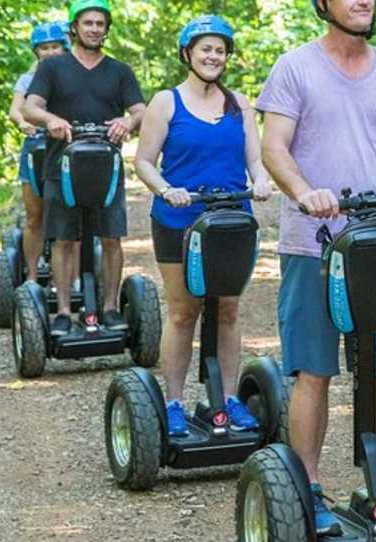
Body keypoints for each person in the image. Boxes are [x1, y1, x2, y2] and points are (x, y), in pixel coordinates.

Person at [256, 0, 376, 535]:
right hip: (314, 244)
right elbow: (273, 147)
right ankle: (307, 488)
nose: (364, 1)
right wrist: (305, 191)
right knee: (314, 370)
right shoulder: (295, 67)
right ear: (322, 4)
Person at [134, 15, 272, 435]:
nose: (214, 56)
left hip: (230, 220)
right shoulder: (166, 101)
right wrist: (165, 189)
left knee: (227, 309)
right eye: (205, 49)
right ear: (187, 53)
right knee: (182, 311)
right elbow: (143, 161)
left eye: (220, 50)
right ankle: (173, 402)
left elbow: (254, 158)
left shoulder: (240, 103)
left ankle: (228, 399)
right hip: (180, 220)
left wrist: (261, 179)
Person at [23, 0, 145, 336]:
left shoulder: (119, 70)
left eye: (100, 23)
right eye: (87, 23)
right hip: (60, 167)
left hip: (107, 170)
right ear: (74, 28)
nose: (94, 29)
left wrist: (128, 120)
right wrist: (51, 119)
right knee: (63, 239)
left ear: (107, 29)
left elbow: (141, 110)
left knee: (111, 238)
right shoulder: (53, 68)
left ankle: (108, 308)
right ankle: (63, 312)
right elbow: (31, 107)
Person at [8, 22, 69, 283]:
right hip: (37, 148)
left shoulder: (74, 75)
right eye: (45, 48)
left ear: (64, 48)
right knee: (35, 217)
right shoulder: (27, 79)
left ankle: (67, 279)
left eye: (55, 46)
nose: (50, 51)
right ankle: (32, 278)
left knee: (69, 219)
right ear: (37, 51)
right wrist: (23, 124)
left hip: (67, 148)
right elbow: (16, 110)